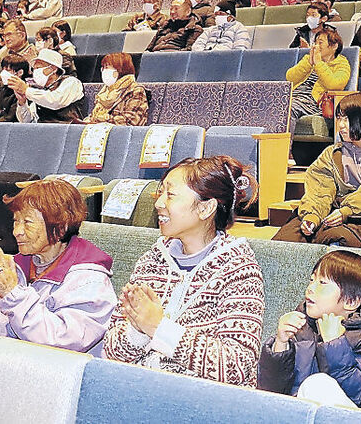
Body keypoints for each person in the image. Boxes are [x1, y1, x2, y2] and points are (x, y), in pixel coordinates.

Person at [103, 156, 264, 385]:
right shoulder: (151, 261)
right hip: (140, 390)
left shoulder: (239, 270)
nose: (159, 203)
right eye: (161, 193)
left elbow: (236, 366)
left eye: (170, 195)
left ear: (206, 208)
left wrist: (158, 327)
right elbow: (111, 351)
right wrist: (137, 331)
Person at [0, 179, 117, 354]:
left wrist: (13, 296)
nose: (17, 231)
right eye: (16, 221)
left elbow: (64, 342)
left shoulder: (89, 280)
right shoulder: (17, 267)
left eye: (28, 223)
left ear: (61, 227)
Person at [257, 250, 361, 411]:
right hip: (303, 416)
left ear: (351, 301)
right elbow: (270, 390)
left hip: (356, 417)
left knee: (316, 385)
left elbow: (356, 392)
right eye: (311, 280)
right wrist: (280, 344)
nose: (310, 288)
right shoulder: (301, 331)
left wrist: (334, 344)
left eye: (322, 283)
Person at [273, 92, 361, 248]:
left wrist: (346, 212)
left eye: (347, 119)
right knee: (288, 238)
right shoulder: (332, 153)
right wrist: (312, 216)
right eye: (339, 118)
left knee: (338, 237)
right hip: (333, 210)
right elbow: (319, 190)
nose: (340, 125)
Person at [286, 26, 351, 132]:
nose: (316, 46)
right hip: (294, 97)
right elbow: (290, 78)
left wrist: (319, 63)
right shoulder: (309, 58)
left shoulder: (342, 63)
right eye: (315, 42)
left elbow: (334, 85)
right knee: (274, 104)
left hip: (314, 103)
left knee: (288, 108)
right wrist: (309, 63)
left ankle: (283, 147)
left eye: (320, 43)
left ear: (334, 46)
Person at [11, 48, 85, 123]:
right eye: (34, 68)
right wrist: (22, 103)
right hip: (43, 131)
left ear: (53, 69)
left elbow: (55, 101)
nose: (35, 72)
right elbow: (27, 121)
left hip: (68, 129)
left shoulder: (71, 82)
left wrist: (26, 90)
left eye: (38, 68)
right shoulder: (40, 90)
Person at [85, 53, 149, 126]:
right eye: (103, 68)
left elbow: (132, 120)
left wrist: (102, 119)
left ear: (120, 70)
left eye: (107, 67)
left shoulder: (135, 90)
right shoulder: (104, 92)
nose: (103, 71)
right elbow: (93, 116)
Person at [0, 55, 28, 122]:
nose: (3, 73)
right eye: (3, 69)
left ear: (20, 73)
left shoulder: (23, 92)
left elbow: (11, 117)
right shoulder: (2, 87)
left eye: (8, 70)